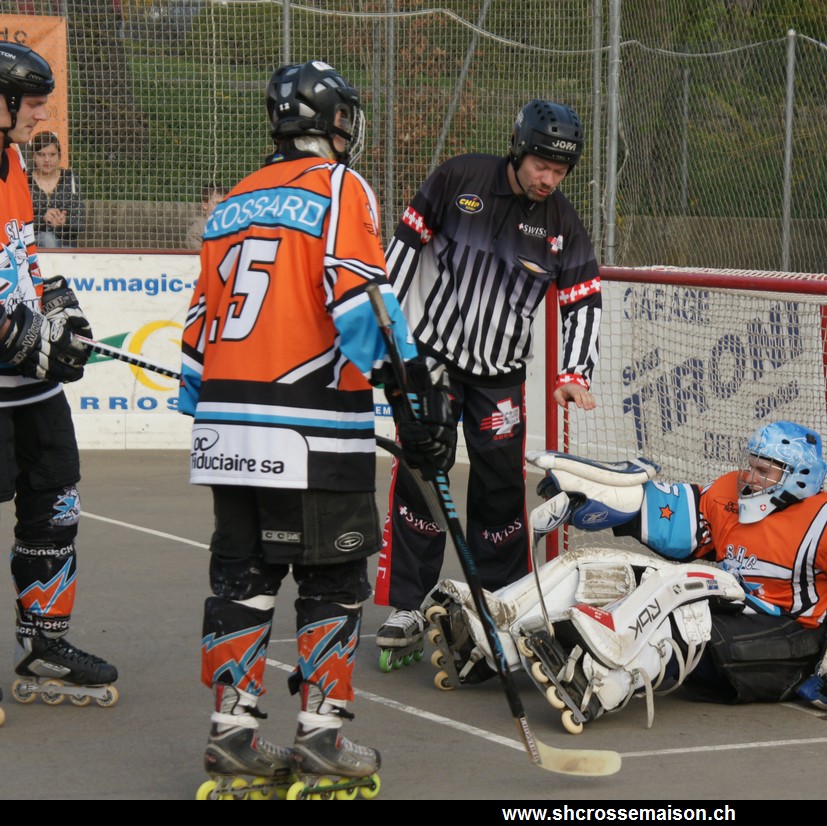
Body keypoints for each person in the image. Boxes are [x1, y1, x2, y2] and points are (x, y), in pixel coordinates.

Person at [179, 60, 453, 799]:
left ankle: (232, 737)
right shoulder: (338, 187)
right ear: (333, 122)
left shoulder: (231, 203)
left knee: (241, 581)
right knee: (333, 578)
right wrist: (411, 394)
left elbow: (198, 330)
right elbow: (362, 303)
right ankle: (322, 738)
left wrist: (205, 406)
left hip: (225, 430)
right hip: (309, 430)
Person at [420, 422, 827, 730]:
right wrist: (592, 499)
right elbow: (671, 519)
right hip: (730, 625)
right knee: (596, 567)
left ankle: (603, 682)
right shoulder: (729, 493)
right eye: (751, 466)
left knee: (685, 590)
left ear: (799, 479)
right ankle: (494, 631)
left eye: (765, 472)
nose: (751, 479)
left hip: (786, 645)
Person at [373, 99, 602, 669]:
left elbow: (583, 298)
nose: (549, 179)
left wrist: (574, 373)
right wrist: (384, 331)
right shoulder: (459, 178)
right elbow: (401, 253)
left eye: (560, 170)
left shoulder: (562, 224)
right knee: (423, 472)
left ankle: (502, 605)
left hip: (501, 376)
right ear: (518, 150)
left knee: (500, 490)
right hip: (434, 361)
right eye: (542, 165)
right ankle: (407, 604)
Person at [0, 43, 112, 719]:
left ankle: (44, 642)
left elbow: (22, 261)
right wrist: (19, 335)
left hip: (31, 390)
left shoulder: (14, 166)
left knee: (55, 505)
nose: (42, 115)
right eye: (34, 102)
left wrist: (57, 310)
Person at [28, 132, 84, 249]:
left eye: (52, 154)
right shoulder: (25, 180)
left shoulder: (70, 179)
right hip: (33, 245)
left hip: (67, 244)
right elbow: (16, 223)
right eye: (41, 154)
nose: (47, 159)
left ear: (59, 156)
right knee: (48, 239)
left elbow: (80, 223)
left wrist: (64, 221)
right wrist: (43, 219)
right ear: (33, 156)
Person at [184, 182, 228, 249]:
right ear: (205, 205)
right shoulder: (197, 229)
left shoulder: (231, 225)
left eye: (225, 203)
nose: (222, 207)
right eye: (217, 203)